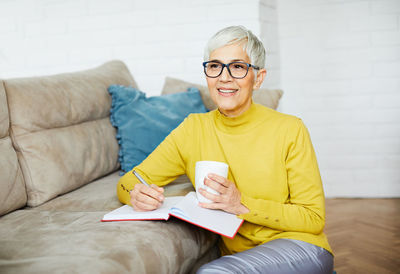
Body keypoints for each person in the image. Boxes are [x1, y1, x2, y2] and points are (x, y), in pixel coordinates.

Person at [117, 25, 333, 273]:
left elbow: (314, 218)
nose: (224, 77)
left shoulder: (290, 129)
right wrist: (136, 193)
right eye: (215, 65)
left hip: (300, 246)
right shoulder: (193, 129)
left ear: (259, 78)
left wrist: (241, 204)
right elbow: (129, 181)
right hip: (241, 257)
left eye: (238, 67)